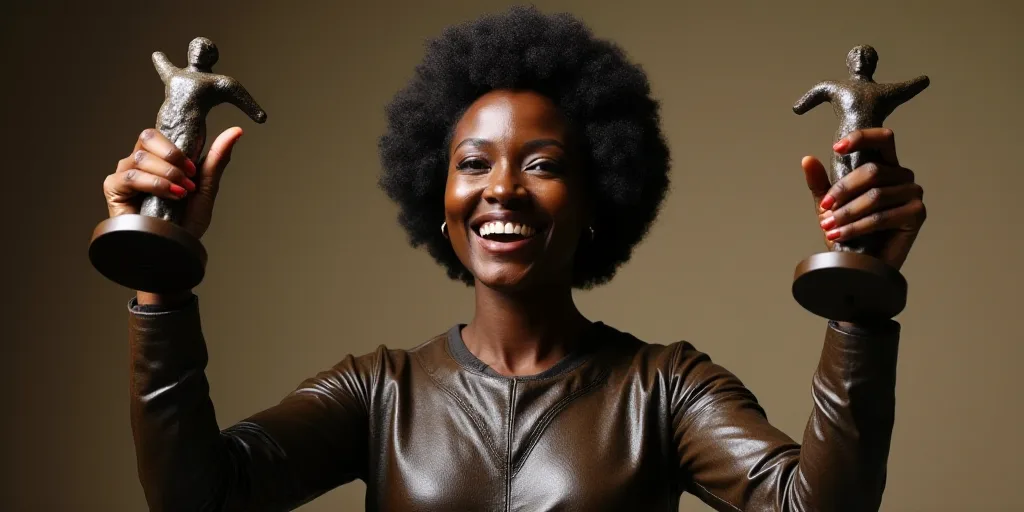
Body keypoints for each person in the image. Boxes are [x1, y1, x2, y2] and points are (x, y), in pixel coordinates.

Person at [102, 6, 926, 512]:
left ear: (599, 193)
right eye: (472, 163)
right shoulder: (379, 394)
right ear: (438, 192)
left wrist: (861, 303)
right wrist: (158, 279)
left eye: (542, 164)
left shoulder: (666, 391)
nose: (503, 190)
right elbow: (197, 496)